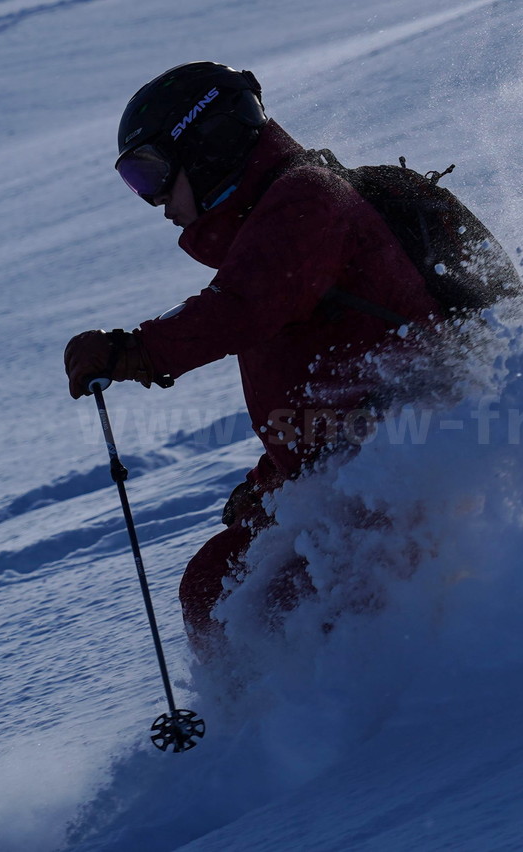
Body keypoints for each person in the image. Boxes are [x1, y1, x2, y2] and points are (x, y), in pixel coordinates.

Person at [63, 62, 454, 657]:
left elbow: (244, 305)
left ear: (208, 141)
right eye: (136, 183)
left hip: (414, 465)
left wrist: (132, 351)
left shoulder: (307, 198)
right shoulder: (273, 228)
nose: (155, 201)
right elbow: (324, 390)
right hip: (356, 465)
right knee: (215, 585)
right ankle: (249, 732)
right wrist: (272, 482)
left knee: (281, 601)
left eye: (151, 174)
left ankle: (374, 724)